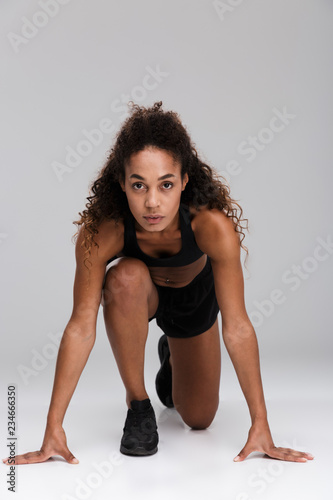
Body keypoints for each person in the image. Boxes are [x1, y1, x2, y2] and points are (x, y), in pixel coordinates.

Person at [3, 101, 314, 464]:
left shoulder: (210, 226)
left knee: (198, 419)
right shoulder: (103, 232)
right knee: (125, 276)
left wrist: (261, 424)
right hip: (138, 295)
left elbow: (239, 327)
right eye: (139, 186)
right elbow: (81, 327)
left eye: (166, 185)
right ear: (122, 184)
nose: (153, 202)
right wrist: (52, 429)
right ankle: (138, 404)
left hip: (192, 302)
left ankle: (171, 356)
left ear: (184, 181)